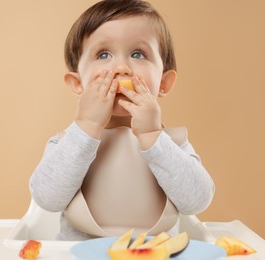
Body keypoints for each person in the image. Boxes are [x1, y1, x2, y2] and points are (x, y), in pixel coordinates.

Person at [29, 0, 214, 241]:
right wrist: (86, 126)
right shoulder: (66, 143)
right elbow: (46, 198)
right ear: (78, 84)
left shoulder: (172, 144)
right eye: (103, 54)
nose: (121, 68)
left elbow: (197, 201)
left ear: (164, 83)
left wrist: (152, 137)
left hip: (154, 255)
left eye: (138, 54)